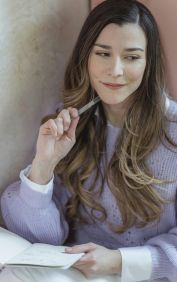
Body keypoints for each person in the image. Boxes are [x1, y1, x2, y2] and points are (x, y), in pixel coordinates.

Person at [1, 0, 177, 281]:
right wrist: (44, 165)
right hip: (78, 270)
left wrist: (119, 261)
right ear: (86, 57)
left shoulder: (174, 130)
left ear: (149, 62)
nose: (115, 70)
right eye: (103, 54)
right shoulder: (70, 123)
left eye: (131, 57)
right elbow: (38, 238)